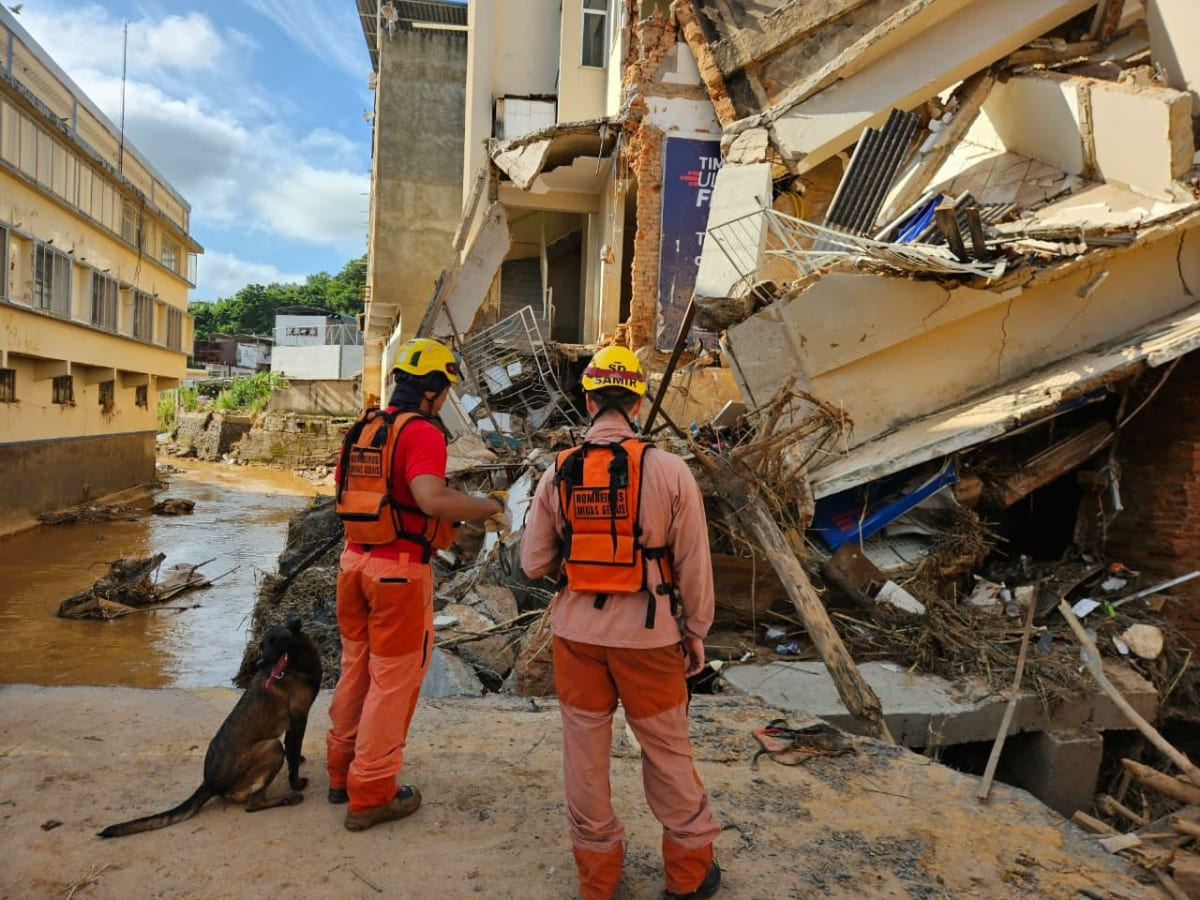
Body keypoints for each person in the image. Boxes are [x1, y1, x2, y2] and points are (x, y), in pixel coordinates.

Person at [520, 345, 722, 900]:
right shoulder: (669, 470)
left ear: (588, 400)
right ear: (637, 400)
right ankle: (686, 875)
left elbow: (533, 562)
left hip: (575, 636)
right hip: (650, 638)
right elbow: (695, 567)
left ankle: (599, 880)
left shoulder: (559, 470)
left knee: (584, 757)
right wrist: (696, 631)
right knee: (666, 751)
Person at [327, 337, 505, 832]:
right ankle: (373, 792)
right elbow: (430, 499)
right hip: (399, 573)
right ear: (434, 391)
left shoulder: (363, 428)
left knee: (355, 670)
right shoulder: (422, 432)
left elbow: (349, 491)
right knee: (392, 682)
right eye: (445, 388)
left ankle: (341, 774)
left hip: (354, 563)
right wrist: (488, 506)